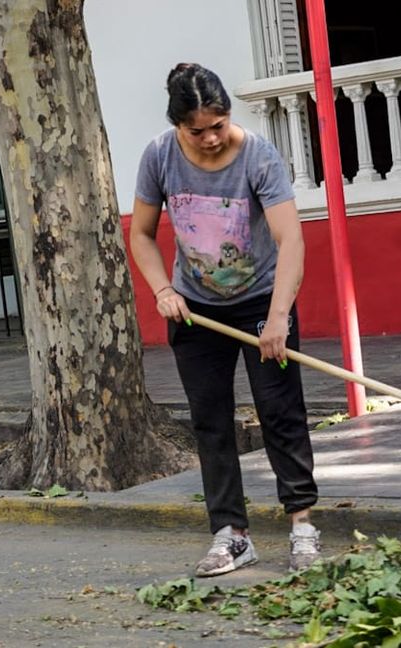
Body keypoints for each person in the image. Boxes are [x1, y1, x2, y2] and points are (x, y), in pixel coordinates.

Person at [129, 63, 320, 577]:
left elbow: (291, 240)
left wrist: (279, 316)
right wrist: (163, 289)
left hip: (261, 301)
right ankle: (232, 534)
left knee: (281, 412)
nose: (211, 137)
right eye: (198, 130)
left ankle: (302, 526)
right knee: (211, 421)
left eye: (219, 125)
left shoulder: (258, 154)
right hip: (195, 309)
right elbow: (142, 234)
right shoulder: (159, 156)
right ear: (178, 125)